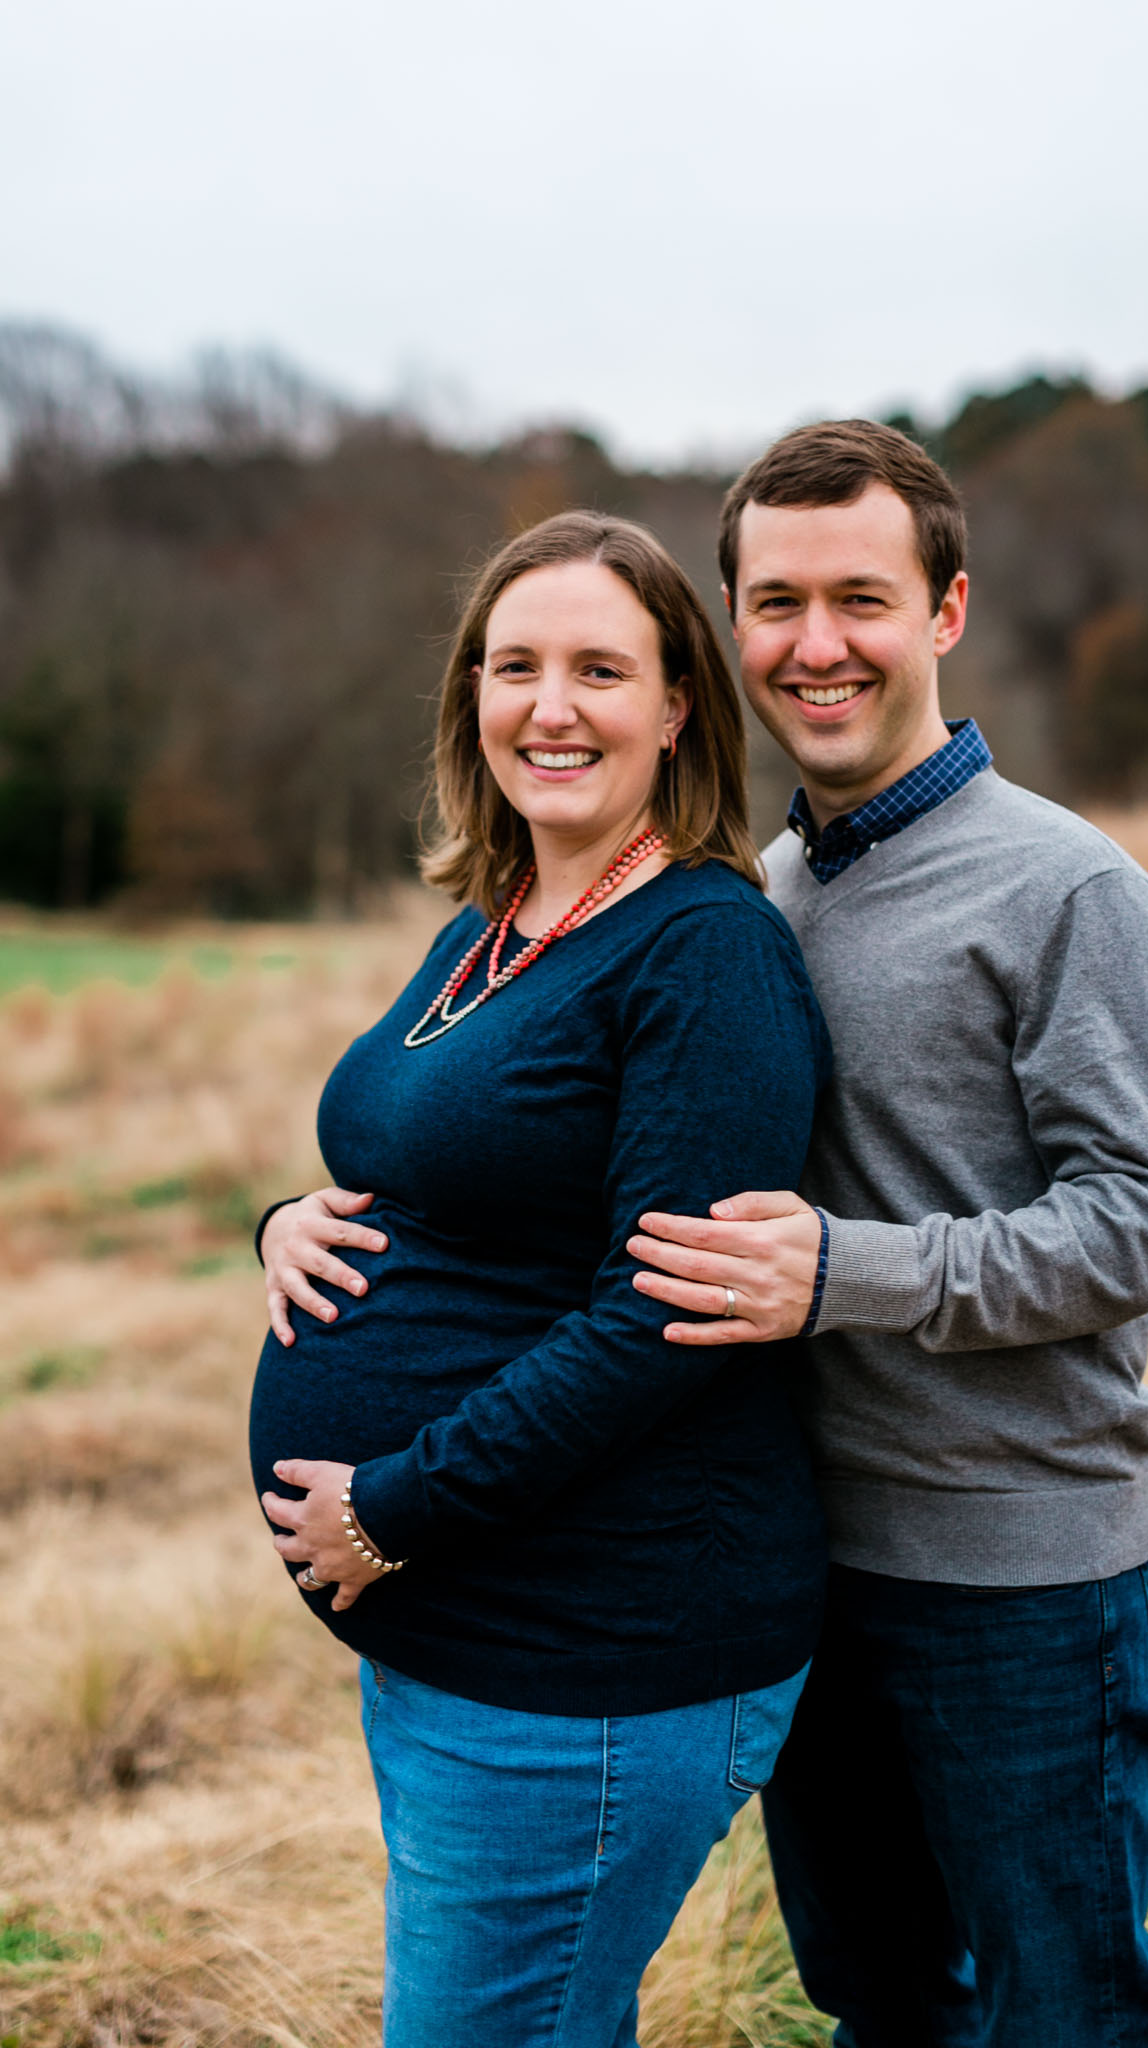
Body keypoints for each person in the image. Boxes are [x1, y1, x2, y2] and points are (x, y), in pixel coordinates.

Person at [626, 420, 1148, 2045]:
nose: (816, 646)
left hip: (1021, 1580)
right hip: (808, 1569)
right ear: (730, 626)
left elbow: (1146, 1228)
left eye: (860, 599)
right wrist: (310, 1209)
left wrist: (839, 1270)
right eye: (775, 603)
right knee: (880, 1999)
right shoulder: (761, 894)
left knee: (1066, 2011)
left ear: (944, 613)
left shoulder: (1069, 893)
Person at [248, 511, 830, 2048]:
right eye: (515, 665)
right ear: (471, 696)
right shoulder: (496, 920)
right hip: (468, 1647)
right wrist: (277, 1225)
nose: (549, 706)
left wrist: (395, 1509)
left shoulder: (701, 952)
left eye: (598, 668)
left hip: (594, 1656)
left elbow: (664, 1318)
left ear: (675, 708)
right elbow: (416, 1155)